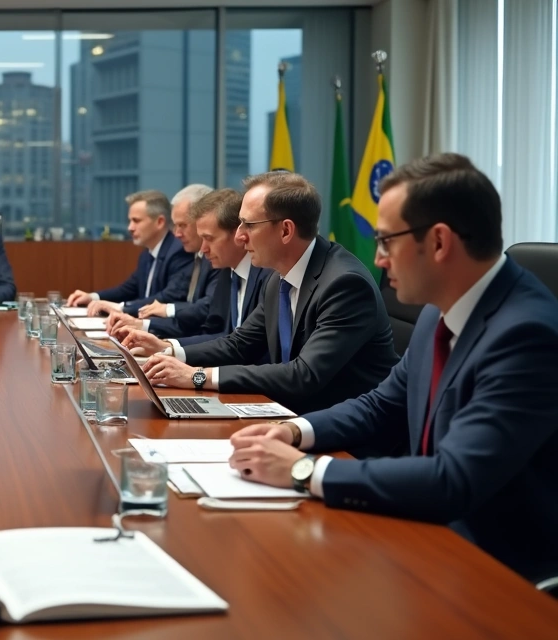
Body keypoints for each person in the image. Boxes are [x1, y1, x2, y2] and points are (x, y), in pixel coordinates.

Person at [228, 153, 558, 582]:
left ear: (439, 243)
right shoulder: (438, 311)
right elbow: (381, 405)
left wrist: (300, 469)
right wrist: (295, 431)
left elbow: (453, 479)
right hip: (426, 533)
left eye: (386, 241)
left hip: (496, 569)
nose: (378, 260)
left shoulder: (526, 335)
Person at [136, 172, 398, 415]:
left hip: (341, 435)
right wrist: (169, 351)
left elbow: (303, 374)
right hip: (286, 414)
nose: (239, 236)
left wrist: (198, 376)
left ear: (285, 230)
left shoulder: (344, 285)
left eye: (248, 225)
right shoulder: (278, 277)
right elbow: (239, 345)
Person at [109, 188, 272, 346]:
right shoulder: (227, 269)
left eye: (209, 238)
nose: (203, 248)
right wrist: (167, 348)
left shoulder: (265, 276)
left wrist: (170, 350)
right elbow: (220, 334)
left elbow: (240, 344)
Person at [64, 189, 193, 316]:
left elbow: (167, 298)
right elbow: (128, 289)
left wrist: (121, 308)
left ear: (160, 222)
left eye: (136, 221)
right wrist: (92, 297)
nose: (130, 228)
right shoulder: (147, 254)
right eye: (130, 221)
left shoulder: (178, 251)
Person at [114, 184, 220, 337]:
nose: (177, 234)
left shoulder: (214, 259)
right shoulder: (199, 256)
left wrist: (157, 321)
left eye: (183, 225)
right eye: (175, 226)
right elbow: (191, 317)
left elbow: (205, 313)